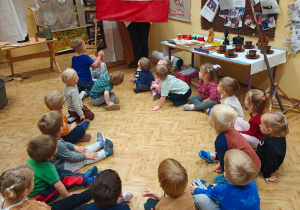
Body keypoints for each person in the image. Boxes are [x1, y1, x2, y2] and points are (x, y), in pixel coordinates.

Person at [198, 104, 261, 184]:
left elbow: (226, 164)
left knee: (216, 181)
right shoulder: (232, 130)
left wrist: (223, 167)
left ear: (214, 124)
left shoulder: (220, 142)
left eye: (210, 116)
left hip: (249, 173)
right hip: (256, 165)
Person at [25, 135, 98, 203]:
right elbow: (59, 186)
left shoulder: (32, 159)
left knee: (59, 171)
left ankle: (83, 176)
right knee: (63, 179)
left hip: (36, 189)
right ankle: (88, 180)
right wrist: (68, 195)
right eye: (56, 147)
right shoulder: (48, 168)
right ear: (51, 157)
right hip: (40, 196)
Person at [38, 111, 113, 172]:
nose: (65, 123)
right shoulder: (57, 144)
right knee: (84, 159)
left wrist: (74, 147)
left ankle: (99, 144)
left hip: (63, 159)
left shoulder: (51, 137)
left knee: (81, 150)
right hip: (63, 167)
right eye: (63, 122)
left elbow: (64, 143)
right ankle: (106, 153)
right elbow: (71, 157)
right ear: (61, 129)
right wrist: (85, 156)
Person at [190, 149, 260, 210]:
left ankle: (203, 187)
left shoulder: (220, 189)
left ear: (225, 174)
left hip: (217, 191)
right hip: (223, 192)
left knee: (199, 196)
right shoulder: (253, 184)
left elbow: (207, 193)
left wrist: (196, 189)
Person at [0, 165, 93, 210]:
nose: (34, 182)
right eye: (33, 181)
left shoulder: (8, 195)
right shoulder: (29, 207)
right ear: (25, 191)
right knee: (78, 204)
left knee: (69, 201)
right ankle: (96, 189)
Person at [257, 112, 288, 183]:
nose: (259, 125)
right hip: (263, 155)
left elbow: (270, 162)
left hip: (265, 164)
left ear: (270, 130)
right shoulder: (274, 135)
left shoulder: (273, 147)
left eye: (261, 124)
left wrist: (267, 175)